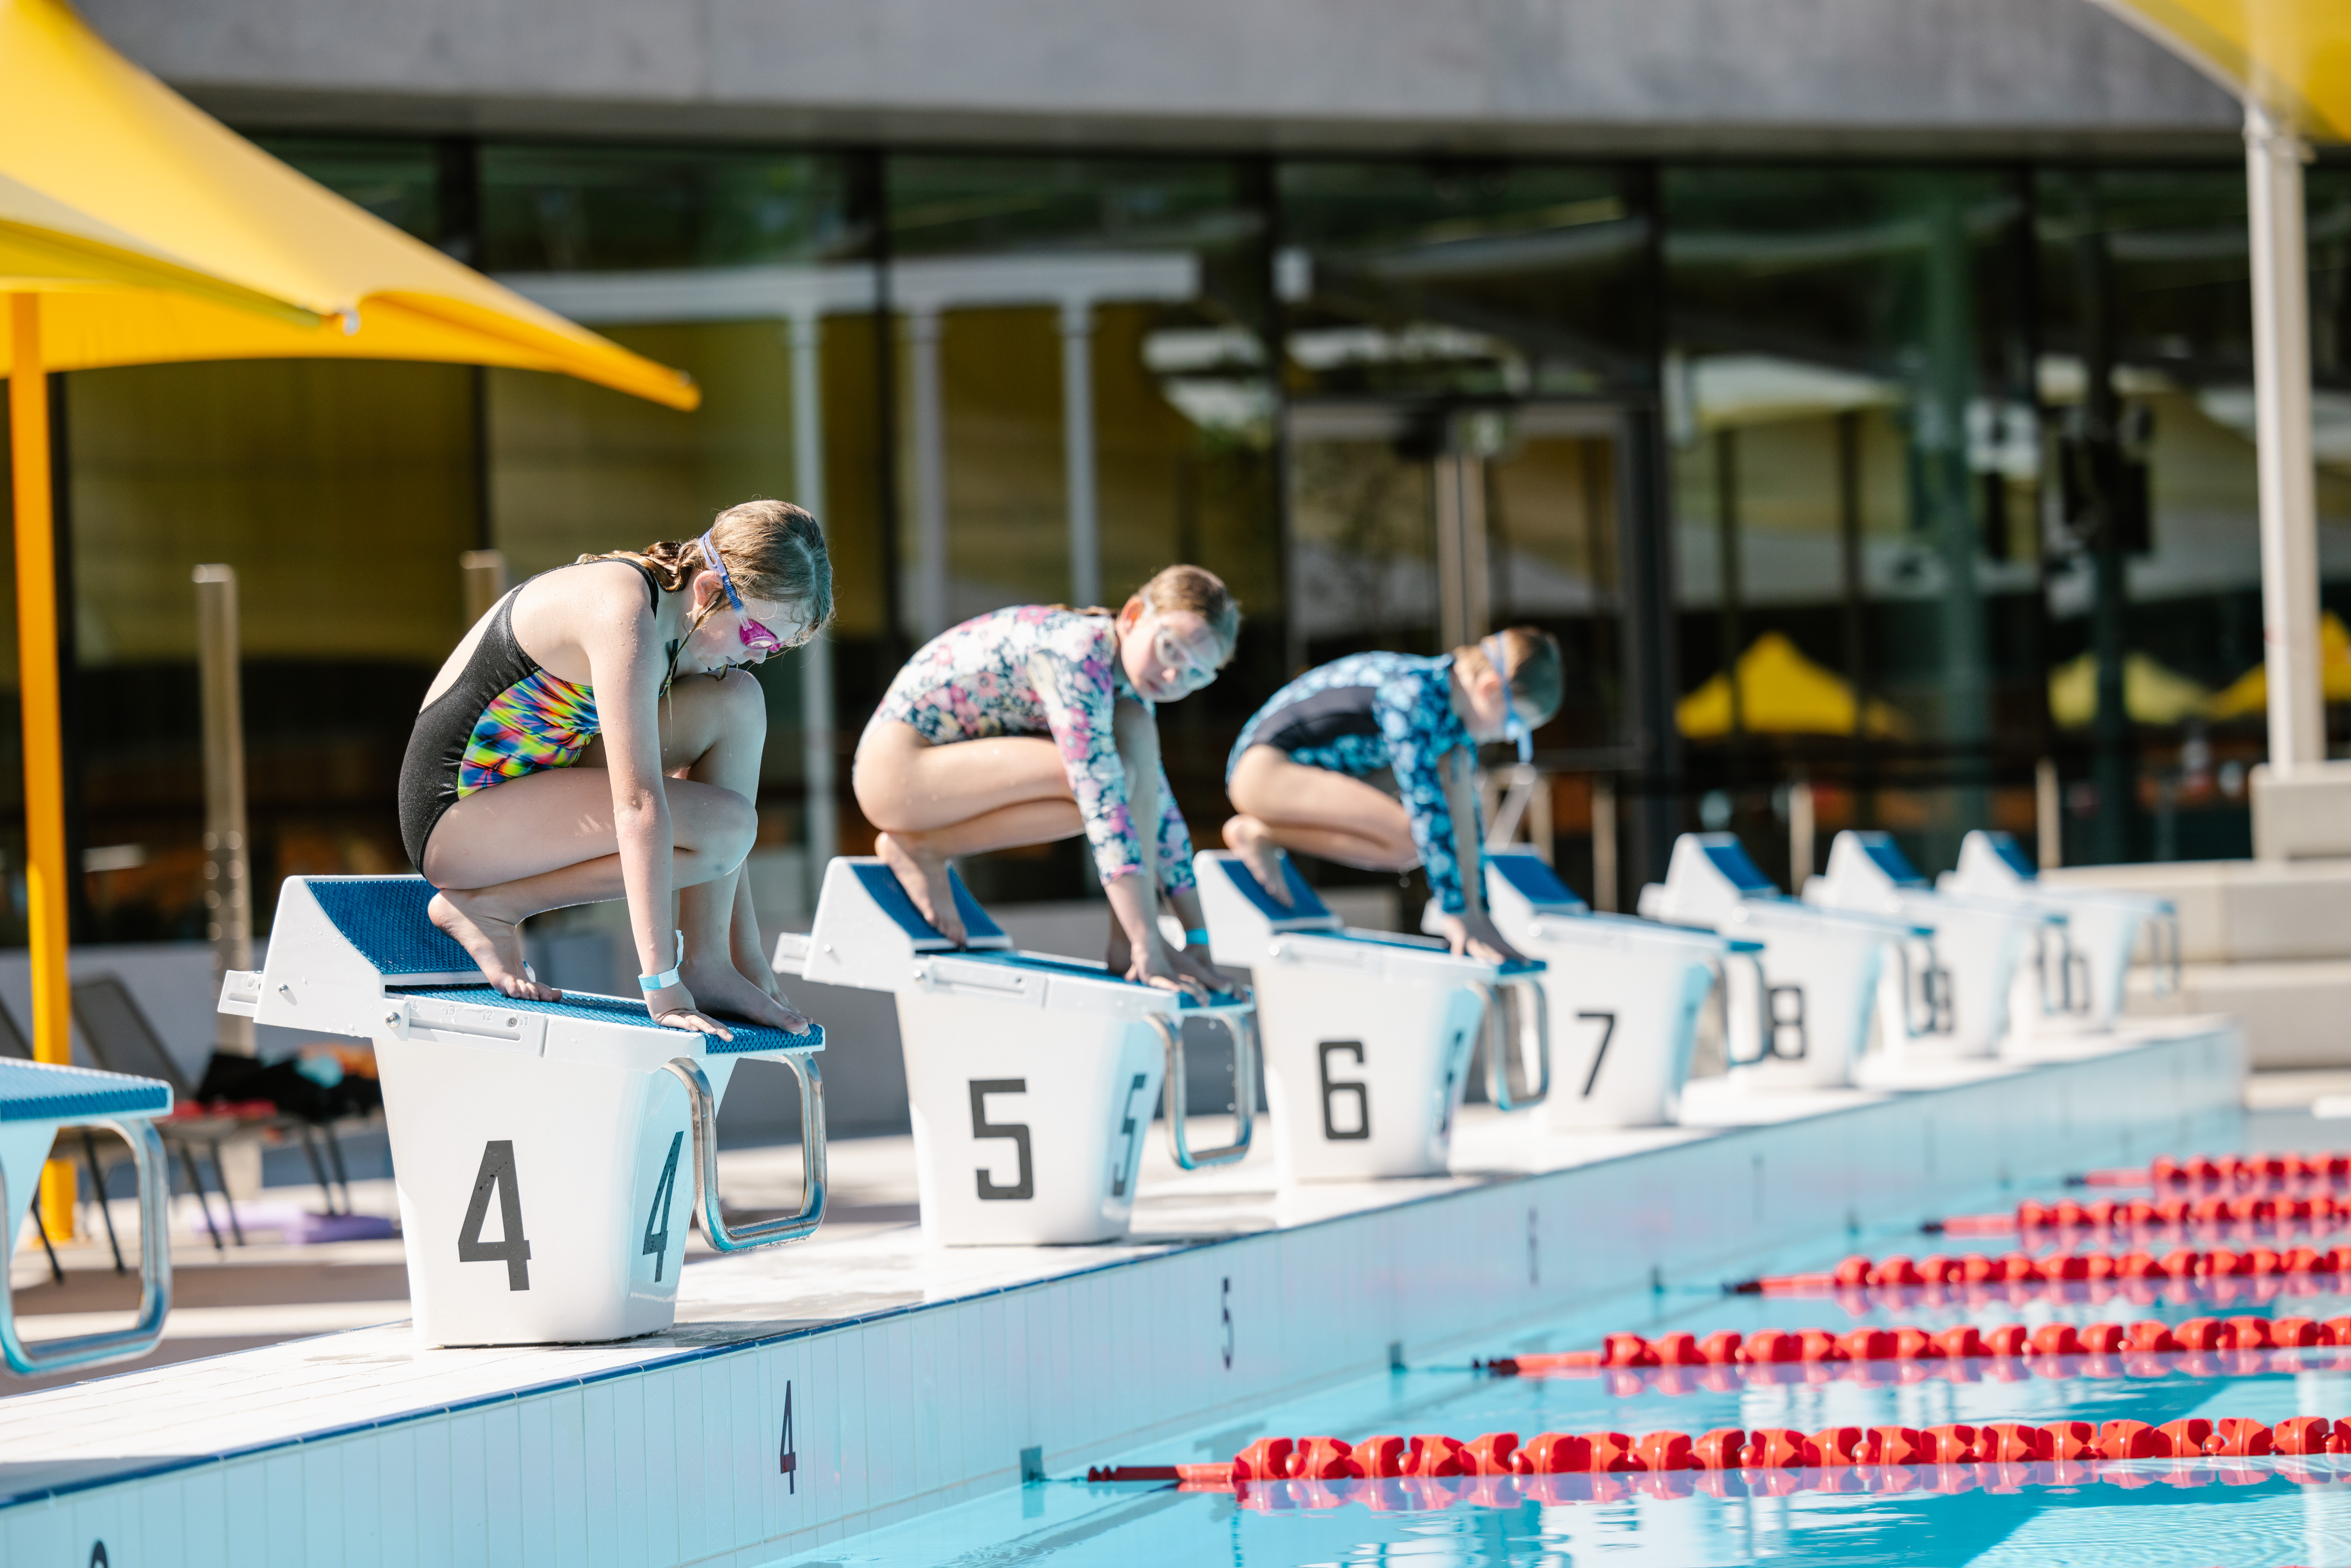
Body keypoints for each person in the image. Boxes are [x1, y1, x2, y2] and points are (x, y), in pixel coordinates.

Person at [399, 499, 830, 1040]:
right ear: (707, 592)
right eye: (758, 636)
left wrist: (751, 965)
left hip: (540, 778)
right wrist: (662, 984)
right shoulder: (626, 614)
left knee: (739, 702)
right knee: (727, 829)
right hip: (458, 816)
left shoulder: (683, 621)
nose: (761, 655)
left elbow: (699, 794)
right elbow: (640, 806)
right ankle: (494, 906)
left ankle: (714, 960)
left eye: (778, 647)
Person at [853, 567, 1240, 1000]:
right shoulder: (1078, 653)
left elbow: (1157, 811)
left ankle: (1125, 941)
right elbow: (1102, 802)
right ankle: (926, 846)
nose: (1173, 677)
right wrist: (1147, 940)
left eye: (1195, 674)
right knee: (1106, 783)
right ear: (1133, 616)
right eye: (1170, 649)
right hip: (894, 770)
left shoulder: (1129, 694)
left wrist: (1198, 939)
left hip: (940, 772)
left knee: (1129, 763)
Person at [1221, 627, 1565, 962]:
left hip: (1312, 774)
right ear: (1490, 690)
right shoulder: (1413, 694)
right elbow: (1427, 810)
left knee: (1448, 776)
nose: (1506, 738)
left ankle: (1263, 831)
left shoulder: (1450, 722)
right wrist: (1457, 914)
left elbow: (1466, 823)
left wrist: (1481, 914)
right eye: (1515, 726)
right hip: (1263, 771)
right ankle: (1259, 831)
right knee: (1410, 843)